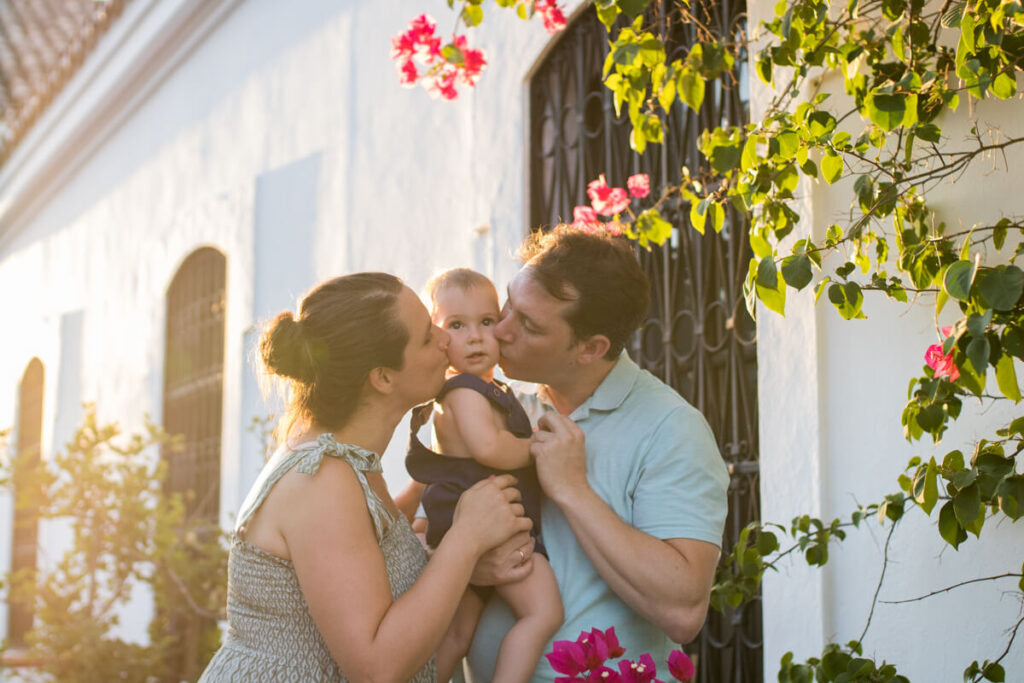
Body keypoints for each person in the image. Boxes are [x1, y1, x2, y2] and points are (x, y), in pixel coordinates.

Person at [199, 272, 532, 682]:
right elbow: (376, 667)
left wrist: (462, 564)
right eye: (428, 336)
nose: (446, 340)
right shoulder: (321, 479)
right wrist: (465, 539)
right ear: (383, 378)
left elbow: (372, 587)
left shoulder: (350, 462)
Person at [464, 227, 730, 681]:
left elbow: (684, 611)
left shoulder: (670, 428)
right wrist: (471, 563)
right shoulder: (499, 408)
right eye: (509, 303)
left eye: (528, 325)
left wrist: (572, 489)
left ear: (591, 348)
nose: (501, 329)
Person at [406, 268, 563, 683]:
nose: (475, 336)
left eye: (487, 322)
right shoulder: (464, 391)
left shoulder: (481, 389)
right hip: (492, 524)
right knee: (543, 612)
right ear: (438, 338)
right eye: (456, 325)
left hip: (471, 522)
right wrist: (536, 445)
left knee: (456, 634)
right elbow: (490, 449)